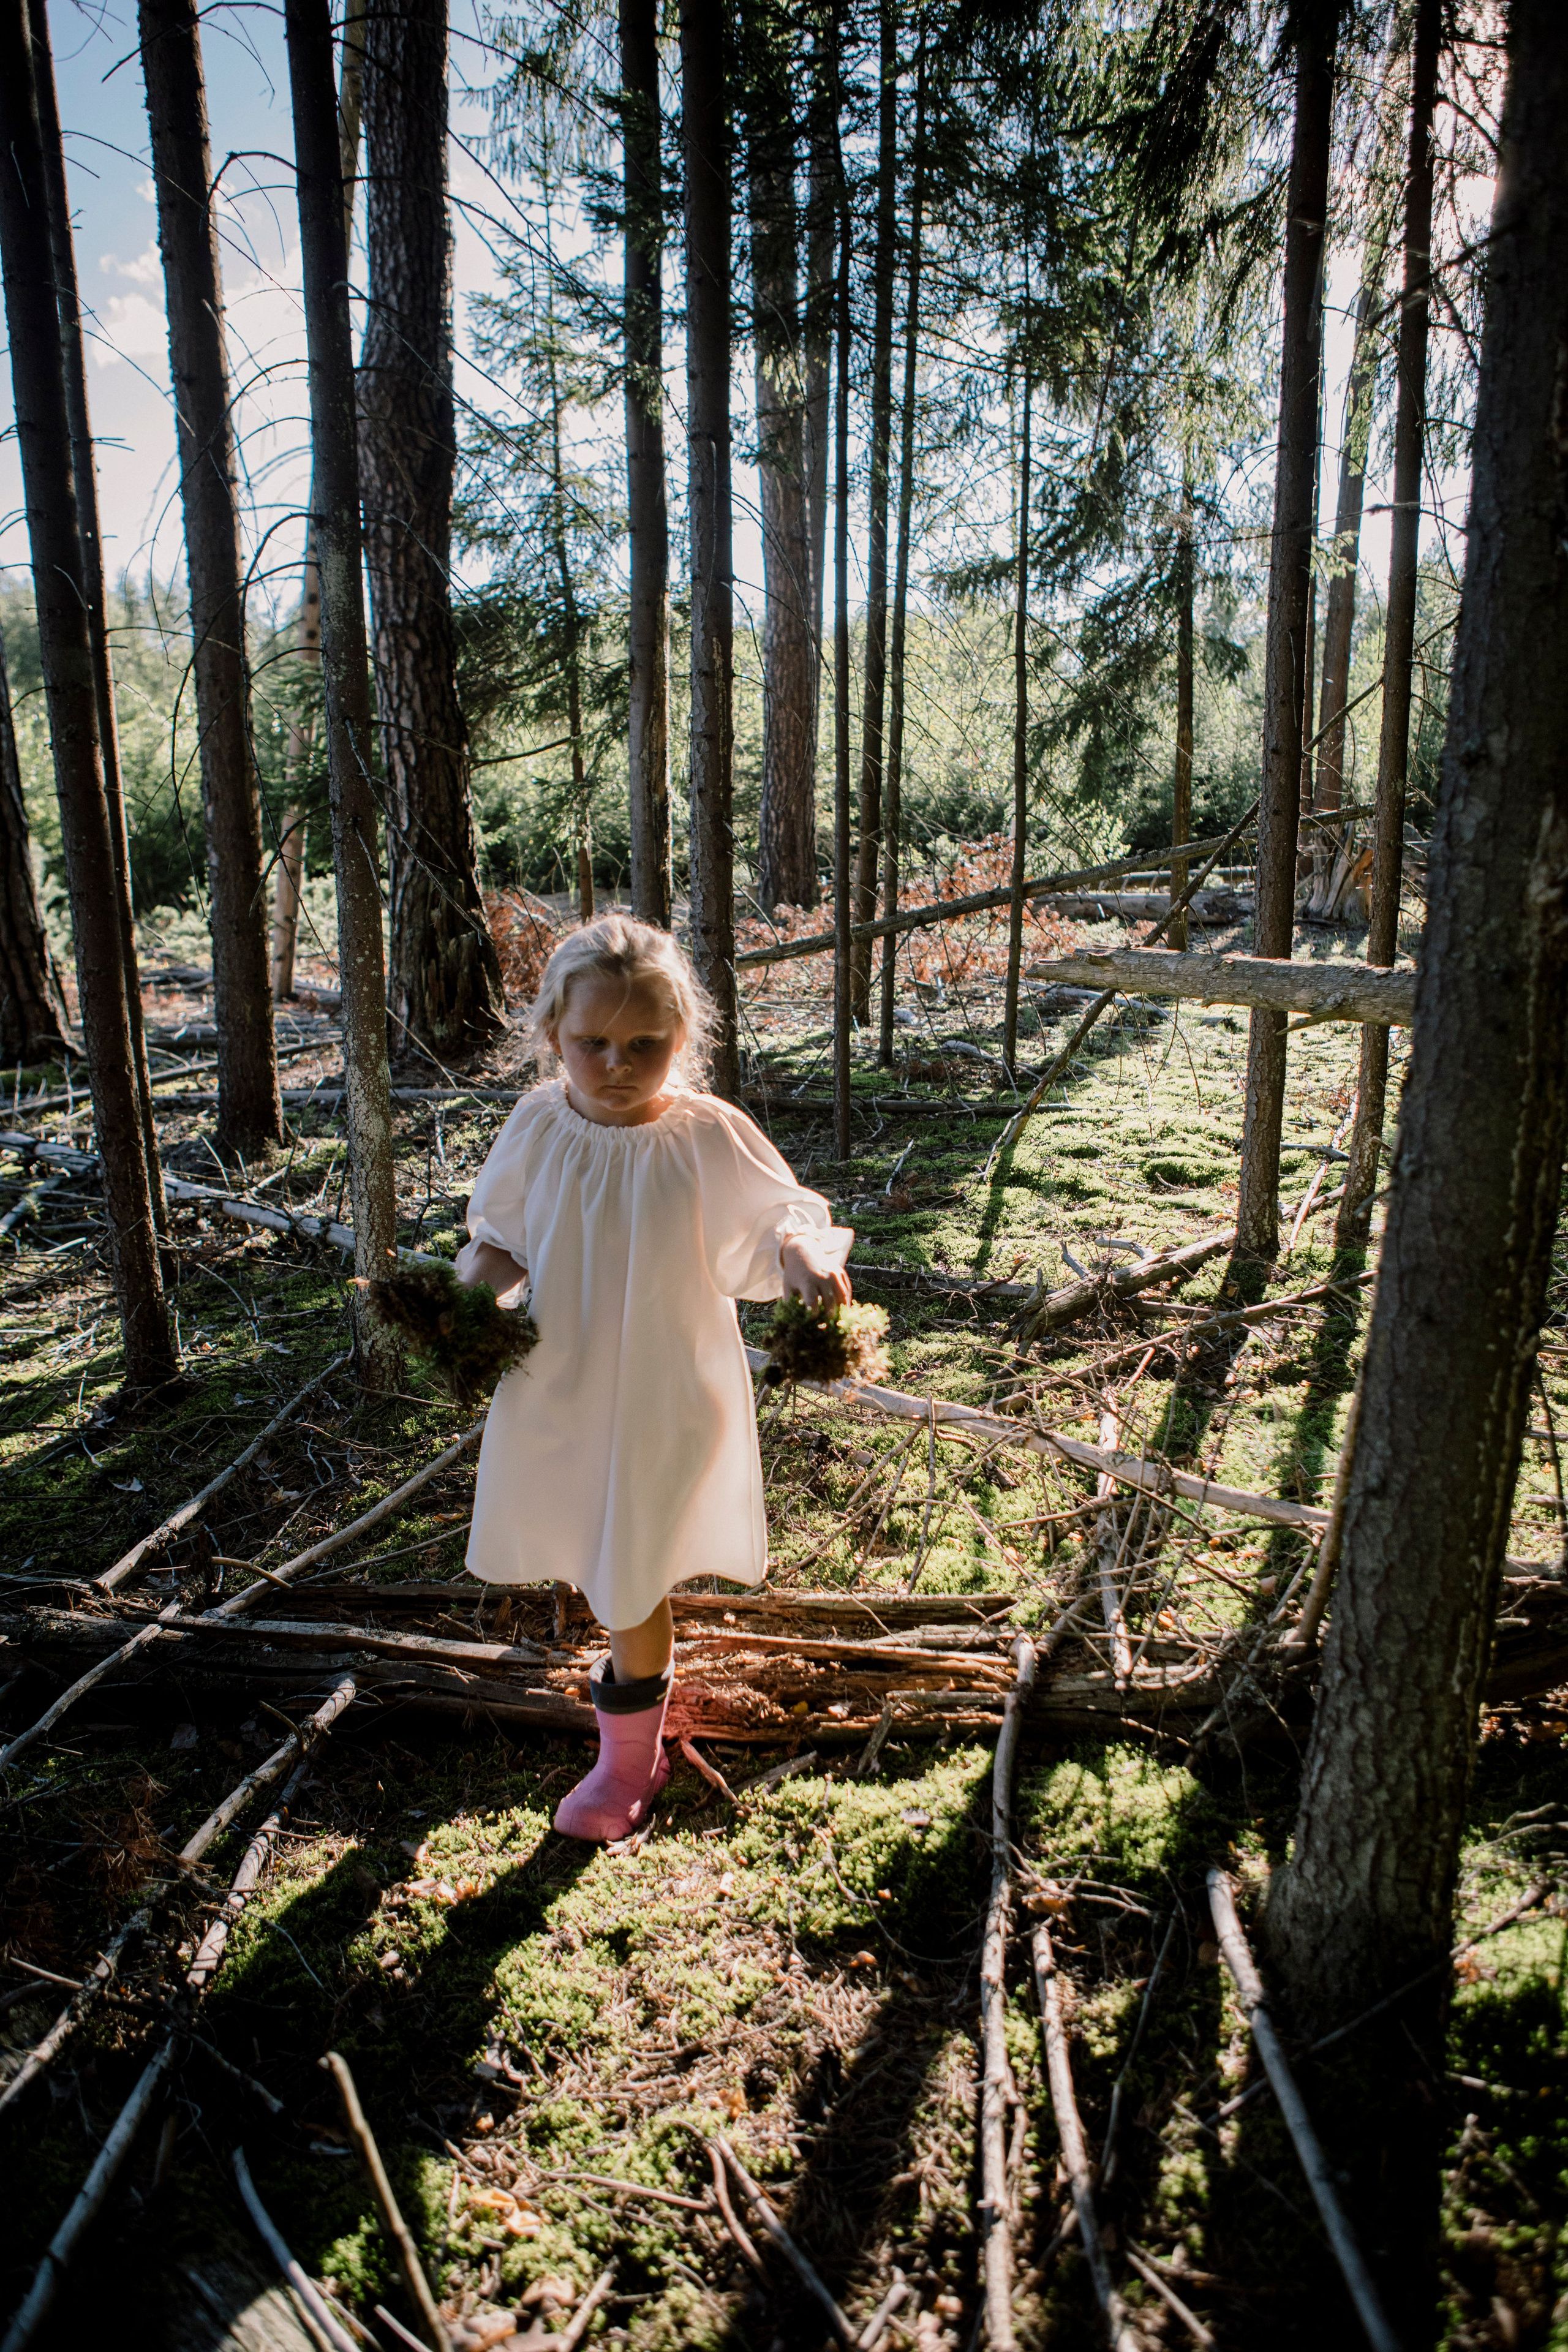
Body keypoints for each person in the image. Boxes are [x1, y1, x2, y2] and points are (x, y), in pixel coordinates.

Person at [454, 914, 853, 1841]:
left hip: (667, 1386)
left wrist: (800, 1252)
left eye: (645, 1044)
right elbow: (505, 1238)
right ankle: (628, 1729)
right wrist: (467, 1295)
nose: (618, 1064)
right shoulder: (535, 1127)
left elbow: (781, 1218)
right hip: (561, 1379)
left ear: (683, 1039)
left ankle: (627, 1764)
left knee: (632, 1571)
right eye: (592, 1042)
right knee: (588, 1547)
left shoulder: (705, 1134)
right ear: (553, 1033)